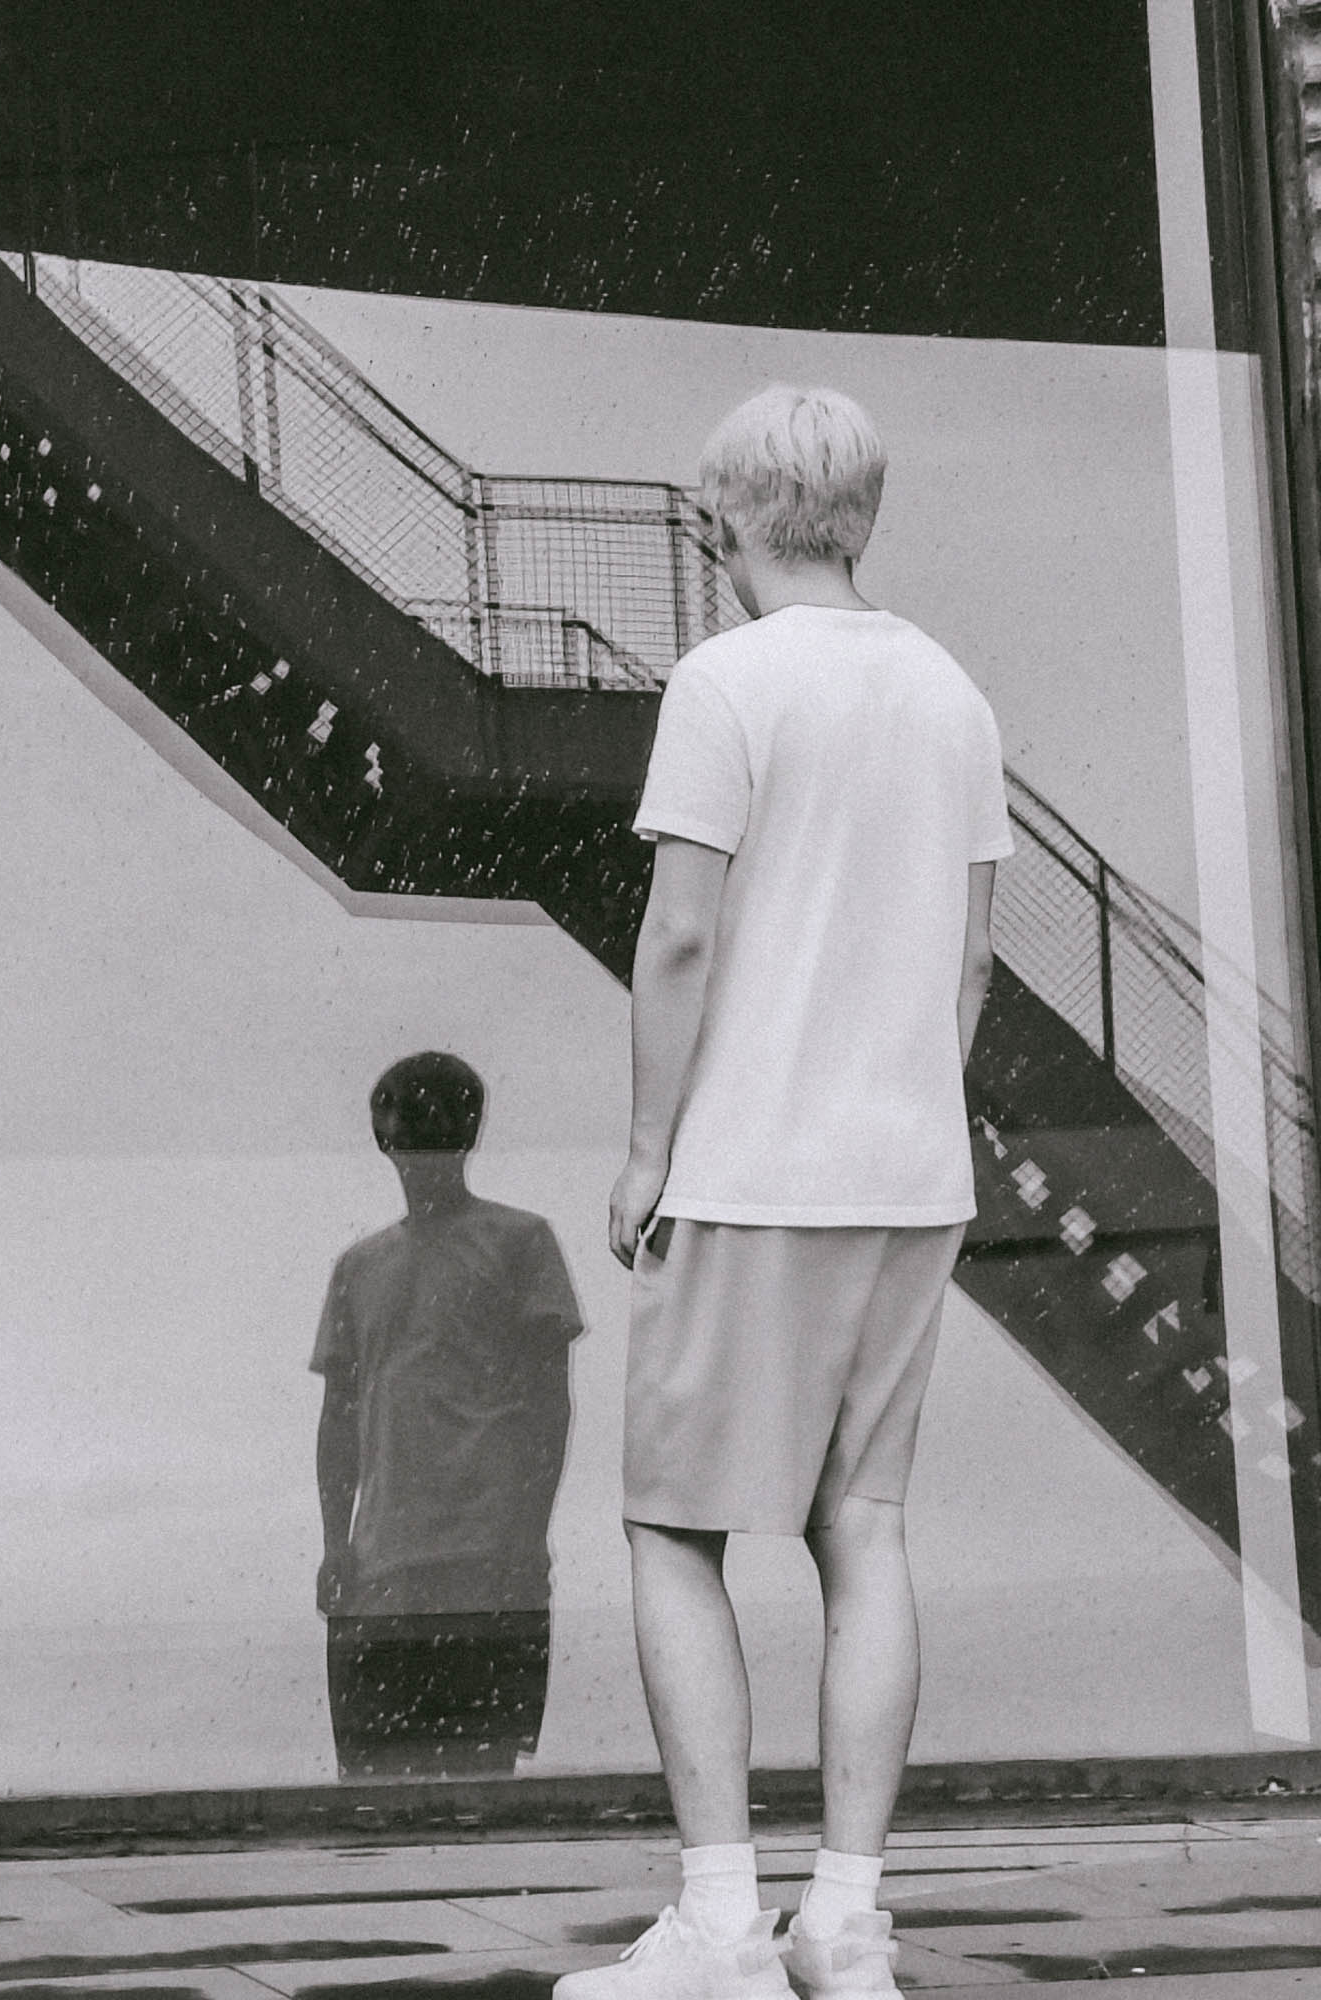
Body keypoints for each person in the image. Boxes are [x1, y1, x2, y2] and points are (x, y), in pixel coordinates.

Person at [555, 386, 1007, 2000]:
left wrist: (646, 1150)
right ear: (864, 517)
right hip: (909, 1177)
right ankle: (848, 1923)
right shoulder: (952, 693)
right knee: (864, 1529)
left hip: (754, 1171)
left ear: (722, 519)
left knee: (672, 1528)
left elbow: (680, 934)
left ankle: (720, 1926)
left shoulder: (726, 683)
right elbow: (968, 968)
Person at [313, 1051, 585, 1779]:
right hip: (381, 1568)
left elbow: (549, 1407)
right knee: (370, 1786)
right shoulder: (357, 1267)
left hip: (488, 1562)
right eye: (408, 1134)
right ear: (384, 1140)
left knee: (481, 1785)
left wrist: (528, 1537)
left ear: (469, 1134)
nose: (420, 1151)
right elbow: (338, 1420)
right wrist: (336, 1547)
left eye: (437, 1132)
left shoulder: (522, 1242)